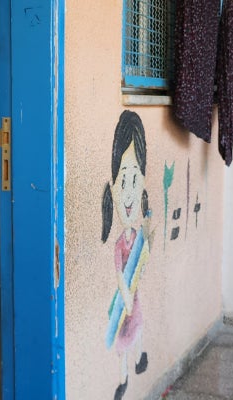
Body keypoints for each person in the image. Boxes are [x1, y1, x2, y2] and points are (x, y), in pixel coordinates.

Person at [101, 110, 150, 400]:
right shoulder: (120, 242)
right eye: (123, 182)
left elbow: (140, 264)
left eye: (135, 180)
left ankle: (141, 357)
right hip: (123, 301)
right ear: (114, 187)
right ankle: (123, 380)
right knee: (122, 340)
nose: (129, 194)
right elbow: (120, 271)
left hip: (134, 297)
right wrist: (125, 294)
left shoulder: (138, 238)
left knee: (138, 328)